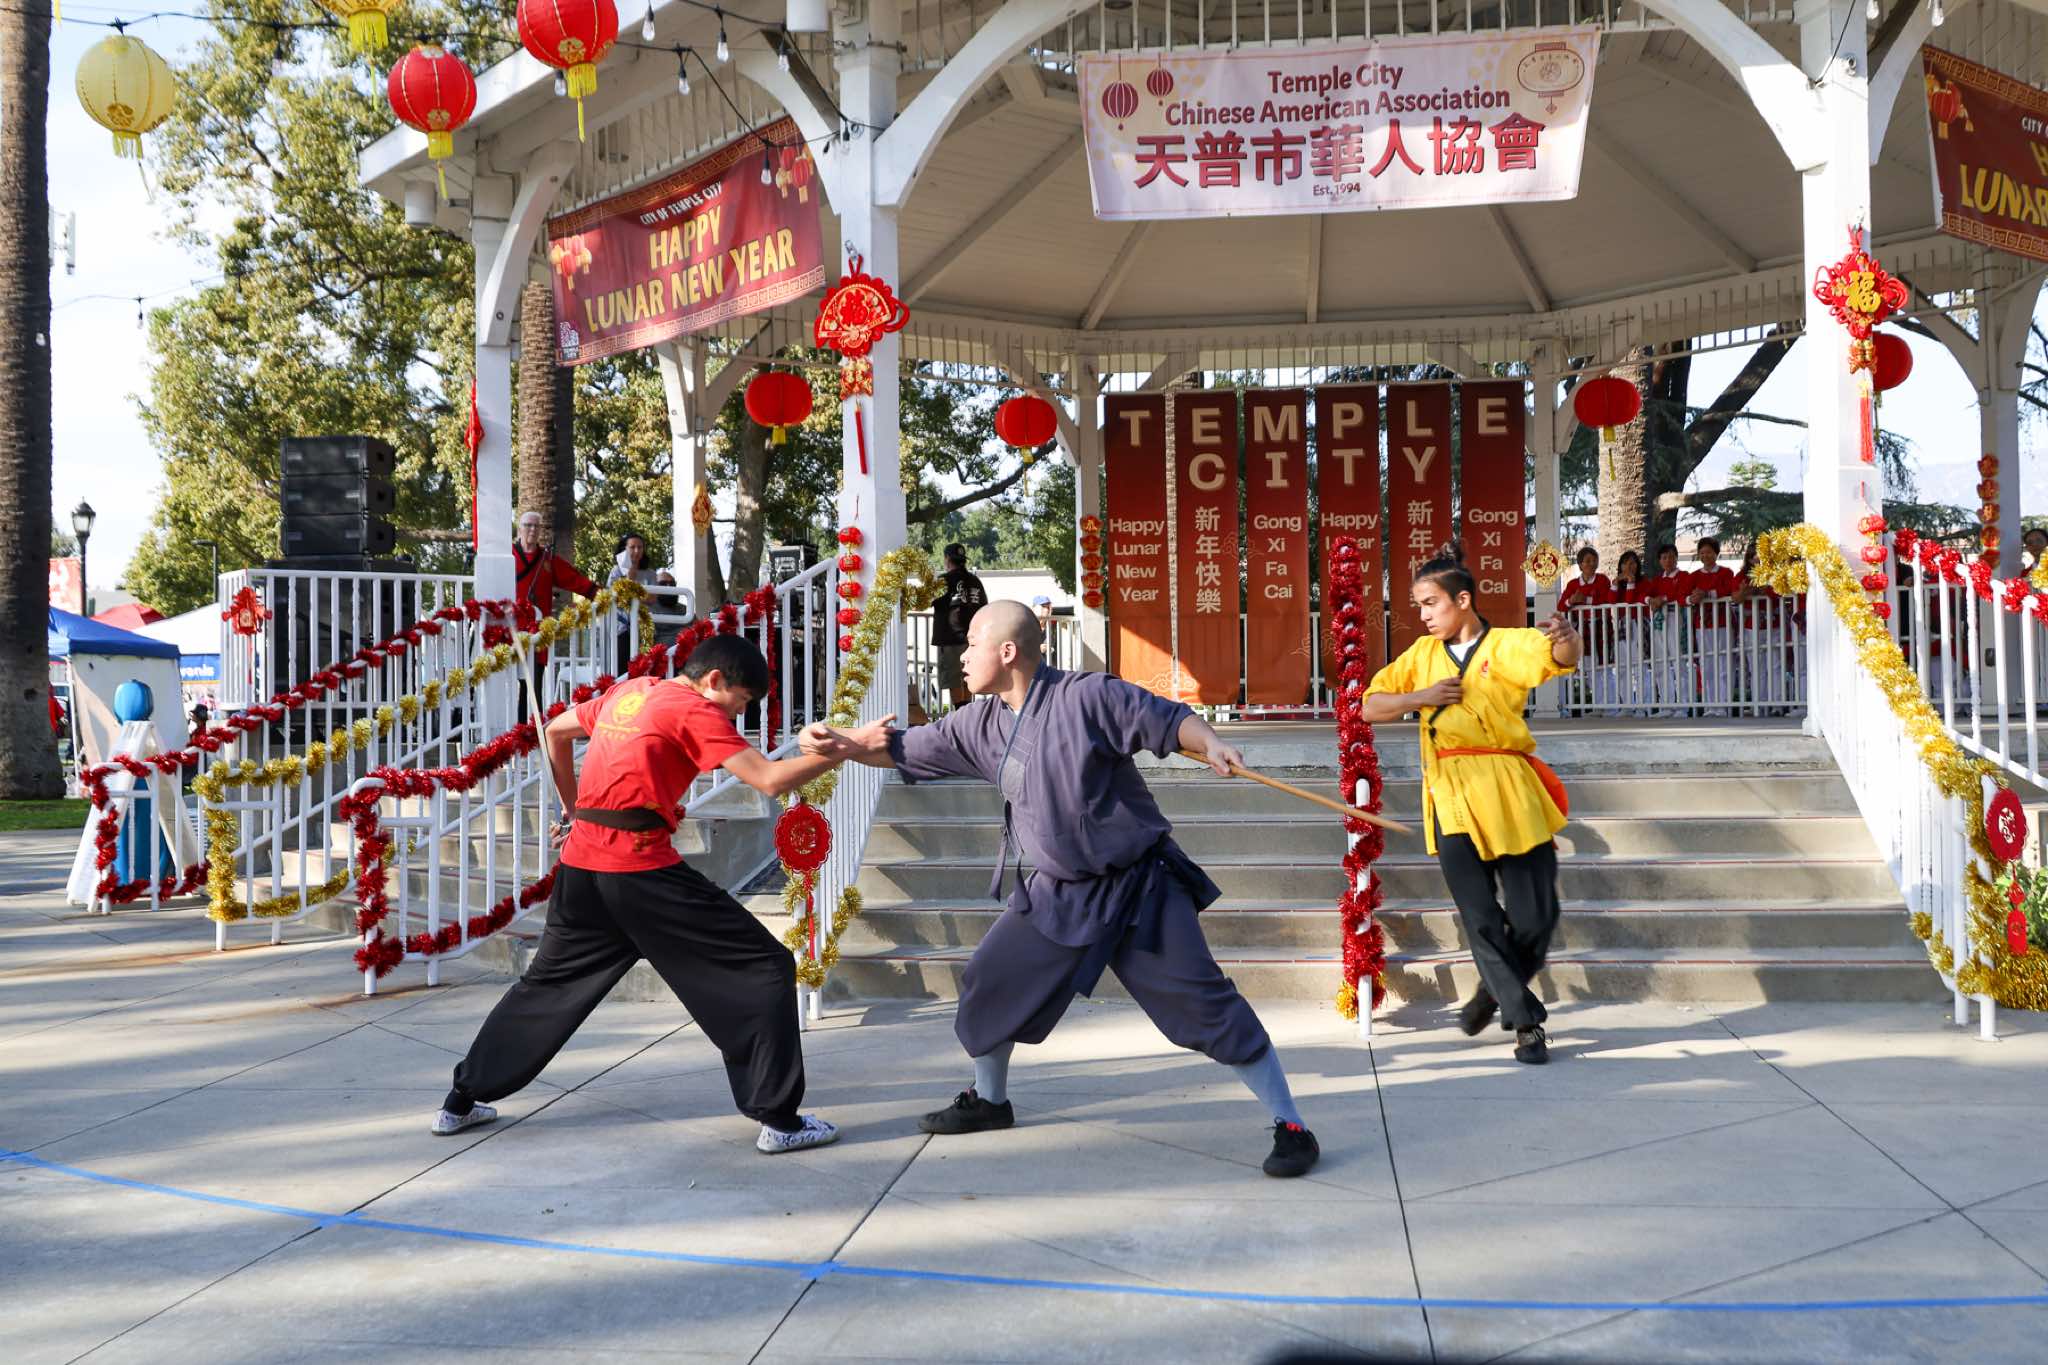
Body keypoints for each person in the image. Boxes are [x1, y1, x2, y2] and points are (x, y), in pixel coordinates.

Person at [800, 600, 1322, 1178]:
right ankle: (990, 1101)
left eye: (971, 643)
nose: (962, 656)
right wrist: (842, 743)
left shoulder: (1088, 696)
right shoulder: (978, 724)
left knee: (1203, 1005)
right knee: (991, 981)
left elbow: (1170, 720)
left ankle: (1291, 1125)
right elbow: (901, 748)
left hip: (1138, 888)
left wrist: (1212, 742)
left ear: (1007, 651)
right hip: (1057, 892)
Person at [431, 634, 853, 1154]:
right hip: (640, 872)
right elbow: (769, 779)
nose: (738, 715)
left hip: (582, 870)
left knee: (547, 988)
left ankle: (460, 1100)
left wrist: (574, 809)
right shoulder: (696, 709)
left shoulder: (630, 692)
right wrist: (847, 751)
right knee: (764, 966)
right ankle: (782, 1121)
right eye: (740, 701)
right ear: (713, 680)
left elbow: (555, 731)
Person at [1361, 546, 1582, 1065]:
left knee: (1537, 915)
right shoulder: (1421, 656)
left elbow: (1558, 657)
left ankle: (1493, 992)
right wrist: (1420, 698)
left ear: (1462, 600)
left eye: (1431, 603)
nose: (1424, 614)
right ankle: (1526, 1023)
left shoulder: (1506, 644)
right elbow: (1370, 705)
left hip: (1510, 789)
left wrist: (1568, 639)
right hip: (1450, 793)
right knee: (1480, 916)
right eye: (1419, 605)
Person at [1685, 537, 1741, 716]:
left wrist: (1707, 594)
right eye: (1702, 553)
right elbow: (1683, 595)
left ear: (1716, 553)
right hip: (1702, 625)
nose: (1705, 556)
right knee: (1707, 665)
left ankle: (1724, 705)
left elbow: (1729, 590)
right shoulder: (1694, 576)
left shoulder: (1726, 572)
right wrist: (1692, 598)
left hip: (1723, 624)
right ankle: (1709, 706)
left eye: (1709, 552)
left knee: (1724, 664)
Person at [605, 531, 675, 672]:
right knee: (622, 669)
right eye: (632, 547)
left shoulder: (650, 573)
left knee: (644, 667)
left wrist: (632, 592)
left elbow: (652, 598)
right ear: (624, 549)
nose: (636, 551)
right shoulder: (616, 572)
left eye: (640, 547)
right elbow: (615, 598)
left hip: (645, 627)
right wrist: (630, 580)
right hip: (622, 628)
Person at [1556, 547, 1613, 712]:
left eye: (1594, 560)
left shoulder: (1602, 580)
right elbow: (1561, 605)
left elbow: (1605, 599)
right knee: (1588, 667)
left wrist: (1583, 600)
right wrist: (1572, 600)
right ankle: (1599, 705)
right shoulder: (1573, 584)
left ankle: (1610, 706)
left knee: (1604, 666)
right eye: (1587, 561)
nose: (1592, 564)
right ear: (1580, 565)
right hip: (1583, 630)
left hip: (1601, 627)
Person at [931, 543, 987, 709]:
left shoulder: (943, 581)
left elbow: (926, 600)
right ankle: (967, 713)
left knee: (954, 679)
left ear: (947, 559)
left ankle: (961, 714)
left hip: (951, 638)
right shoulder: (975, 581)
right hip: (973, 639)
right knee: (968, 676)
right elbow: (984, 607)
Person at [1644, 544, 1692, 716]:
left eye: (1671, 556)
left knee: (1678, 662)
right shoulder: (1658, 580)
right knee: (1660, 662)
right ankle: (1666, 704)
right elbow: (1644, 594)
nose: (1668, 560)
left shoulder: (1683, 576)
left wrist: (1663, 599)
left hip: (1675, 619)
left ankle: (1683, 705)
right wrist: (1650, 600)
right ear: (1660, 561)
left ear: (1676, 558)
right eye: (1664, 557)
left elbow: (1682, 593)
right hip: (1658, 622)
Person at [1611, 550, 1650, 716]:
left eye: (1633, 563)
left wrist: (1631, 583)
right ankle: (1627, 705)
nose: (1629, 566)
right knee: (1622, 668)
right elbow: (1611, 602)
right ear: (1620, 566)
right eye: (1625, 563)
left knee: (1640, 667)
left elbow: (1629, 602)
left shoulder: (1644, 582)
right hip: (1621, 626)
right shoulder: (1618, 584)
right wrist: (1615, 584)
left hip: (1638, 624)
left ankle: (1642, 706)